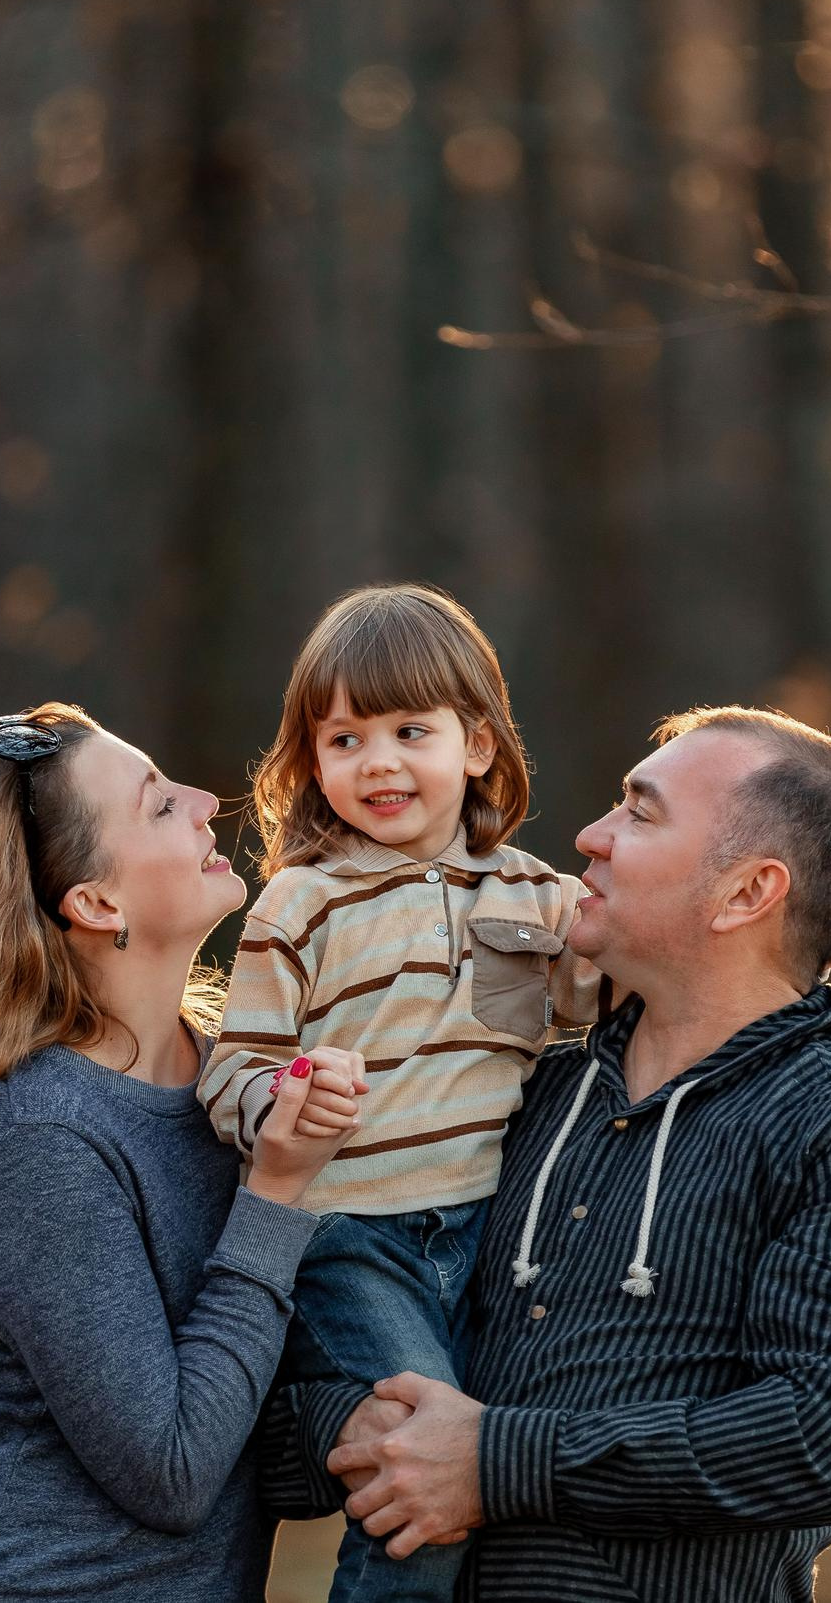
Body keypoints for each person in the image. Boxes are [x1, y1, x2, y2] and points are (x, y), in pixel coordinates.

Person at [254, 704, 831, 1603]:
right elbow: (289, 1418)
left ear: (748, 893)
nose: (590, 835)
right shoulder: (515, 1093)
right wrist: (363, 1421)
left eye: (640, 813)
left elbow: (813, 1440)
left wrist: (495, 1462)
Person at [0, 703, 371, 1602]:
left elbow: (238, 1425)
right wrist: (274, 1193)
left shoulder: (237, 1089)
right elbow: (173, 1471)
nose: (206, 801)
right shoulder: (38, 1142)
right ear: (95, 902)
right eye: (159, 805)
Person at [196, 583, 611, 1602]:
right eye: (342, 740)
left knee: (486, 1480)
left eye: (407, 731)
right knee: (425, 1472)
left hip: (495, 1233)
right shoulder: (300, 903)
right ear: (312, 763)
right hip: (353, 1235)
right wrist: (287, 1101)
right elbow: (230, 1069)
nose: (375, 762)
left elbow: (612, 1000)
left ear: (476, 744)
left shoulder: (536, 895)